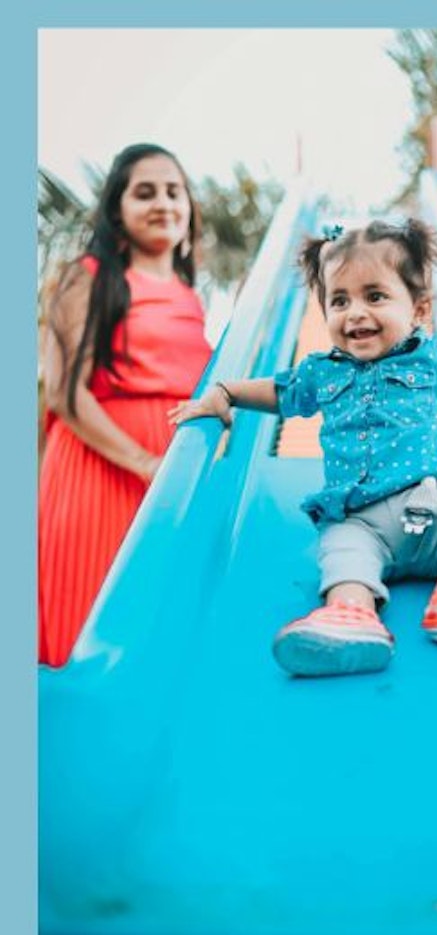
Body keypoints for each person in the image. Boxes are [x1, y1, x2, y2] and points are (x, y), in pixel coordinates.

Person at [169, 219, 437, 677]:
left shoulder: (435, 357)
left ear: (418, 309)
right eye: (339, 301)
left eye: (375, 296)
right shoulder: (324, 370)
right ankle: (352, 614)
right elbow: (280, 391)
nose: (355, 313)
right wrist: (227, 392)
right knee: (339, 546)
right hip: (363, 521)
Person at [39, 143, 210, 667]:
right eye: (145, 192)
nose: (163, 203)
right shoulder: (88, 275)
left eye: (173, 191)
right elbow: (65, 392)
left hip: (174, 471)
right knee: (87, 621)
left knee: (158, 630)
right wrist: (144, 463)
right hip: (102, 468)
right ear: (117, 209)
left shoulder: (189, 294)